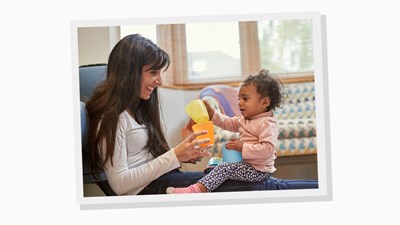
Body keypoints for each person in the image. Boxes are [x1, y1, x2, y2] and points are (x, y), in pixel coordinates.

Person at [86, 34, 318, 196]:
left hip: (162, 180)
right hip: (149, 189)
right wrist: (175, 155)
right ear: (129, 72)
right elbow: (119, 184)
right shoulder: (112, 118)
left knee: (258, 184)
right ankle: (322, 191)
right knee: (260, 187)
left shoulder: (137, 110)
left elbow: (147, 158)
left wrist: (181, 154)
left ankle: (322, 190)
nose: (160, 81)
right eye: (153, 72)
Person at [166, 69, 287, 194]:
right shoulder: (245, 120)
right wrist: (213, 114)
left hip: (258, 171)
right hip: (246, 165)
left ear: (264, 102)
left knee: (224, 168)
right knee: (215, 163)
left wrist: (242, 147)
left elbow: (267, 150)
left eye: (245, 99)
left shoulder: (267, 123)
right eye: (239, 99)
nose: (239, 103)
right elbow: (228, 122)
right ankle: (213, 183)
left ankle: (195, 190)